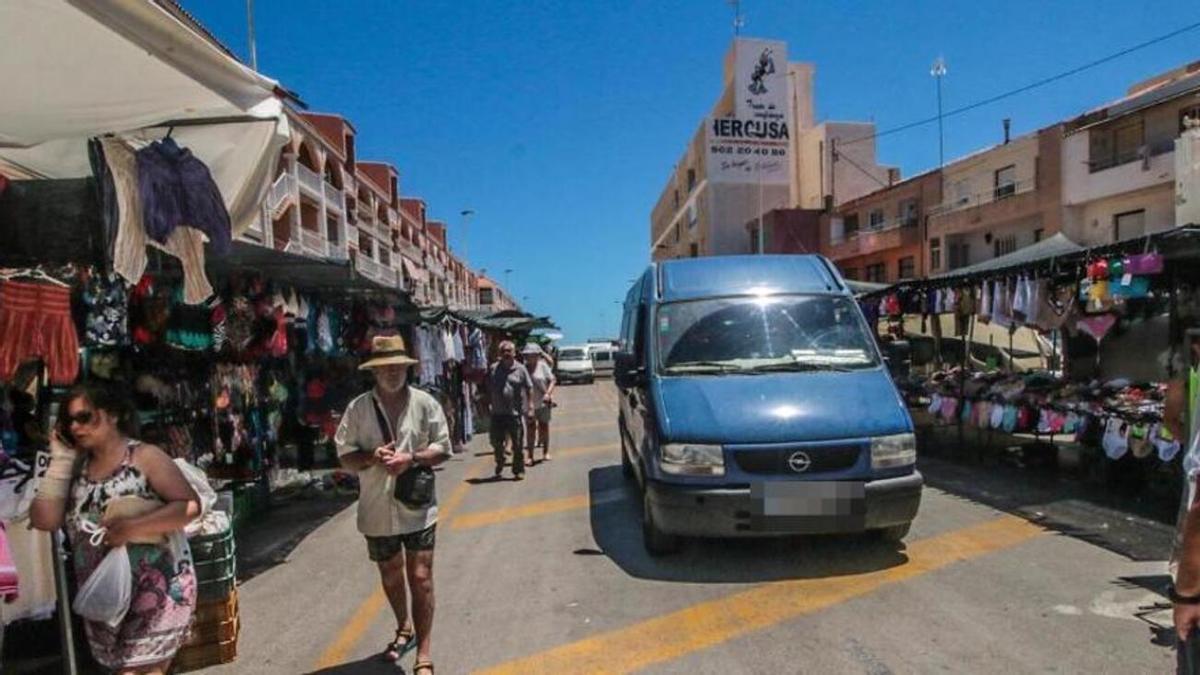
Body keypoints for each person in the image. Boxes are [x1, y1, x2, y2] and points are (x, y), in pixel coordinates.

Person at [31, 383, 201, 675]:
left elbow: (190, 505)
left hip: (157, 588)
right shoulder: (73, 469)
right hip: (105, 597)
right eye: (68, 421)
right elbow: (44, 520)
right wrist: (59, 461)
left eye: (84, 418)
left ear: (111, 416)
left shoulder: (144, 457)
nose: (75, 427)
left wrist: (134, 527)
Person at [335, 335, 450, 675]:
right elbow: (345, 457)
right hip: (375, 509)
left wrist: (412, 458)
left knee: (421, 577)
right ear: (375, 371)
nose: (392, 372)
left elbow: (443, 448)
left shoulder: (426, 403)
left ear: (406, 368)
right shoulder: (357, 409)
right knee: (390, 574)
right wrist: (372, 457)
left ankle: (423, 653)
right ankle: (404, 627)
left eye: (398, 366)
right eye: (385, 367)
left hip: (418, 506)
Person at [488, 340, 533, 480]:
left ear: (514, 353)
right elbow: (486, 387)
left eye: (509, 351)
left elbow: (529, 387)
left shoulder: (521, 369)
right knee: (496, 442)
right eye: (503, 351)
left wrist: (530, 406)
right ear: (499, 354)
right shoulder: (493, 369)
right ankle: (500, 460)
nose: (506, 354)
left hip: (514, 413)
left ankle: (518, 470)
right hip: (497, 413)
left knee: (518, 443)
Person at [523, 344, 557, 462]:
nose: (529, 357)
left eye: (532, 355)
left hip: (543, 402)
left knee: (544, 427)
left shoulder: (542, 366)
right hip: (528, 404)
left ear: (537, 356)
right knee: (530, 429)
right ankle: (530, 456)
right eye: (527, 355)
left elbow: (552, 380)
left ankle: (546, 452)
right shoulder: (523, 368)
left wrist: (548, 393)